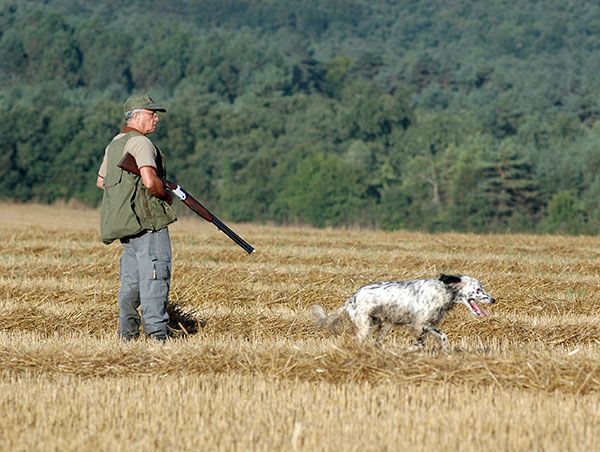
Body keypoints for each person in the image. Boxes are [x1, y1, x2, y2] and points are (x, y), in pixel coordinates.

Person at [96, 94, 177, 341]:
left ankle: (127, 336)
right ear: (137, 116)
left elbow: (101, 182)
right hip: (148, 221)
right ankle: (157, 336)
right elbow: (150, 182)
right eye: (152, 114)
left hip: (127, 225)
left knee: (131, 282)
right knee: (155, 275)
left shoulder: (115, 144)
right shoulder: (141, 144)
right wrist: (166, 194)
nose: (156, 119)